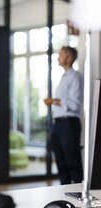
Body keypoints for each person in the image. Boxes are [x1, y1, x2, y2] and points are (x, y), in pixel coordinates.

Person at [44, 46, 83, 184]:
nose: (58, 57)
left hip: (69, 123)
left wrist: (54, 101)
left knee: (72, 161)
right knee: (61, 162)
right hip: (59, 124)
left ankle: (79, 192)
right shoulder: (64, 77)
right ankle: (64, 192)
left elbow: (75, 105)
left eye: (61, 55)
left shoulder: (75, 77)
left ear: (69, 58)